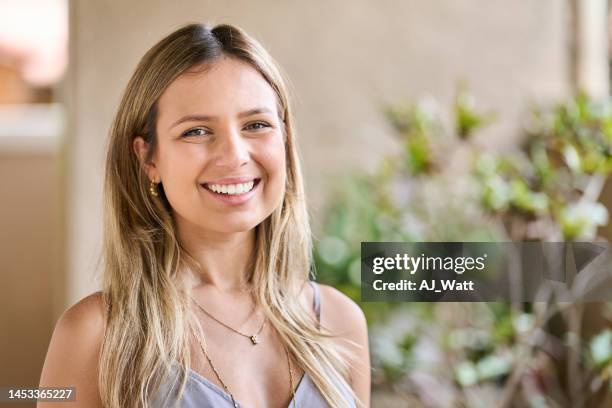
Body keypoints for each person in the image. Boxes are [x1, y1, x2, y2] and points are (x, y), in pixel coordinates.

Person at [38, 23, 370, 408]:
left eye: (256, 125)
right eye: (196, 131)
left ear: (284, 138)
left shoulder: (339, 323)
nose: (234, 156)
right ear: (148, 158)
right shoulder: (93, 335)